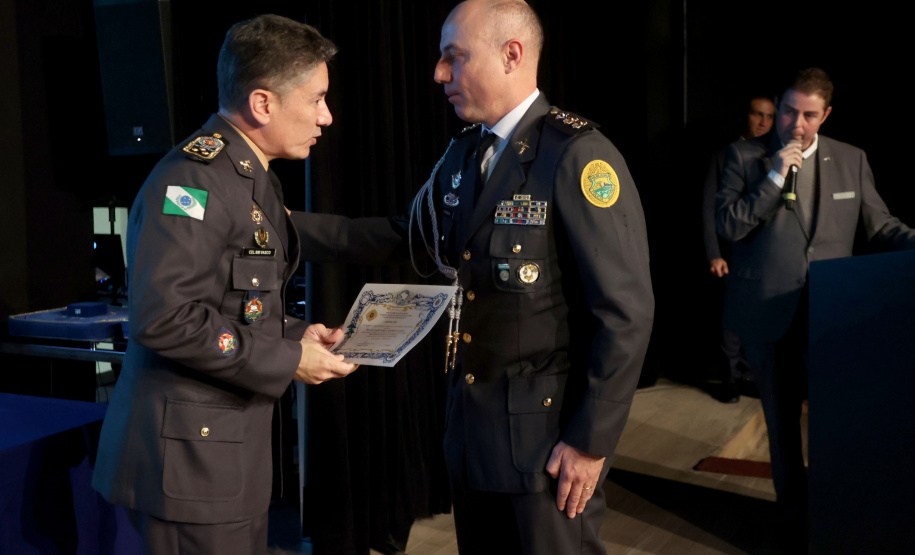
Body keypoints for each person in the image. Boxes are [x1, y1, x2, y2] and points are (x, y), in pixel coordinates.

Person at [92, 15, 357, 555]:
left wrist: (297, 337)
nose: (326, 117)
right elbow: (164, 316)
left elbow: (239, 305)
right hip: (191, 467)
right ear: (263, 104)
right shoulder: (193, 180)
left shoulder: (245, 174)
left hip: (221, 458)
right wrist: (286, 361)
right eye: (316, 99)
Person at [408, 1, 653, 552]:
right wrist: (284, 223)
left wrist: (590, 444)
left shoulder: (579, 156)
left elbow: (625, 315)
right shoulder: (469, 152)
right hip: (475, 438)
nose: (439, 74)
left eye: (455, 57)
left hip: (546, 450)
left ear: (511, 55)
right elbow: (412, 235)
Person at [716, 67, 915, 547]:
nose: (796, 124)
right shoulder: (744, 157)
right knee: (781, 424)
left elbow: (880, 224)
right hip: (768, 313)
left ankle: (834, 513)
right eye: (789, 110)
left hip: (834, 313)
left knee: (833, 422)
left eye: (808, 114)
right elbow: (729, 226)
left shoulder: (851, 160)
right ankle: (792, 518)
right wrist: (773, 177)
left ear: (825, 115)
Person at [701, 95, 774, 402]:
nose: (763, 122)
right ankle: (730, 379)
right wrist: (713, 252)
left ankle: (748, 376)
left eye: (769, 116)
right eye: (758, 114)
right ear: (747, 116)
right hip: (730, 253)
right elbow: (707, 207)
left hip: (761, 255)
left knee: (756, 320)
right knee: (730, 322)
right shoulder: (724, 155)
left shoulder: (774, 156)